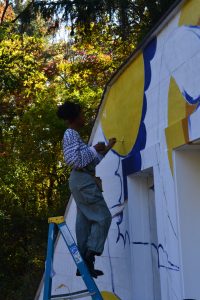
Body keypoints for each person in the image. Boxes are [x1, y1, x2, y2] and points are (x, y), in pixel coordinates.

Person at [57, 101, 116, 278]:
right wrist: (93, 149)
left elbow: (89, 161)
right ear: (75, 117)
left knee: (84, 224)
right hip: (83, 182)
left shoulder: (74, 136)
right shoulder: (70, 134)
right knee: (104, 217)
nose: (84, 118)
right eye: (82, 115)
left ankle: (83, 265)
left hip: (83, 180)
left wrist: (106, 149)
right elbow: (75, 161)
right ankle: (90, 256)